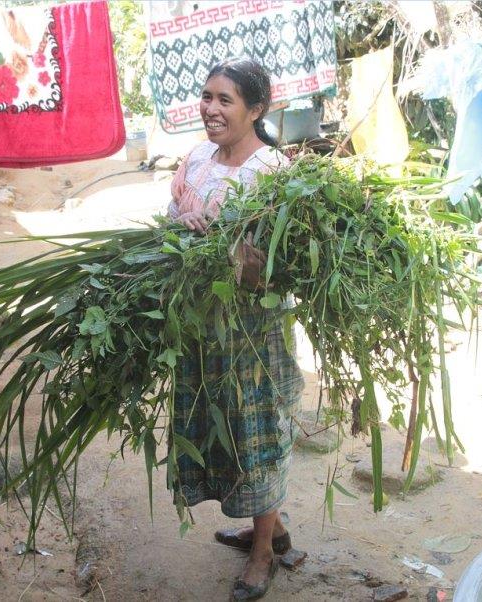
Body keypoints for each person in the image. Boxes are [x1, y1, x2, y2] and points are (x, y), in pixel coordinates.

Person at [167, 57, 304, 600]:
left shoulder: (274, 173)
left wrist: (236, 258)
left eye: (225, 100)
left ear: (256, 109)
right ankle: (269, 528)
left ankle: (263, 554)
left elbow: (282, 267)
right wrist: (184, 224)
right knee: (218, 432)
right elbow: (170, 219)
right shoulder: (196, 158)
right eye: (206, 97)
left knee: (254, 437)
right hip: (201, 329)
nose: (210, 109)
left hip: (250, 331)